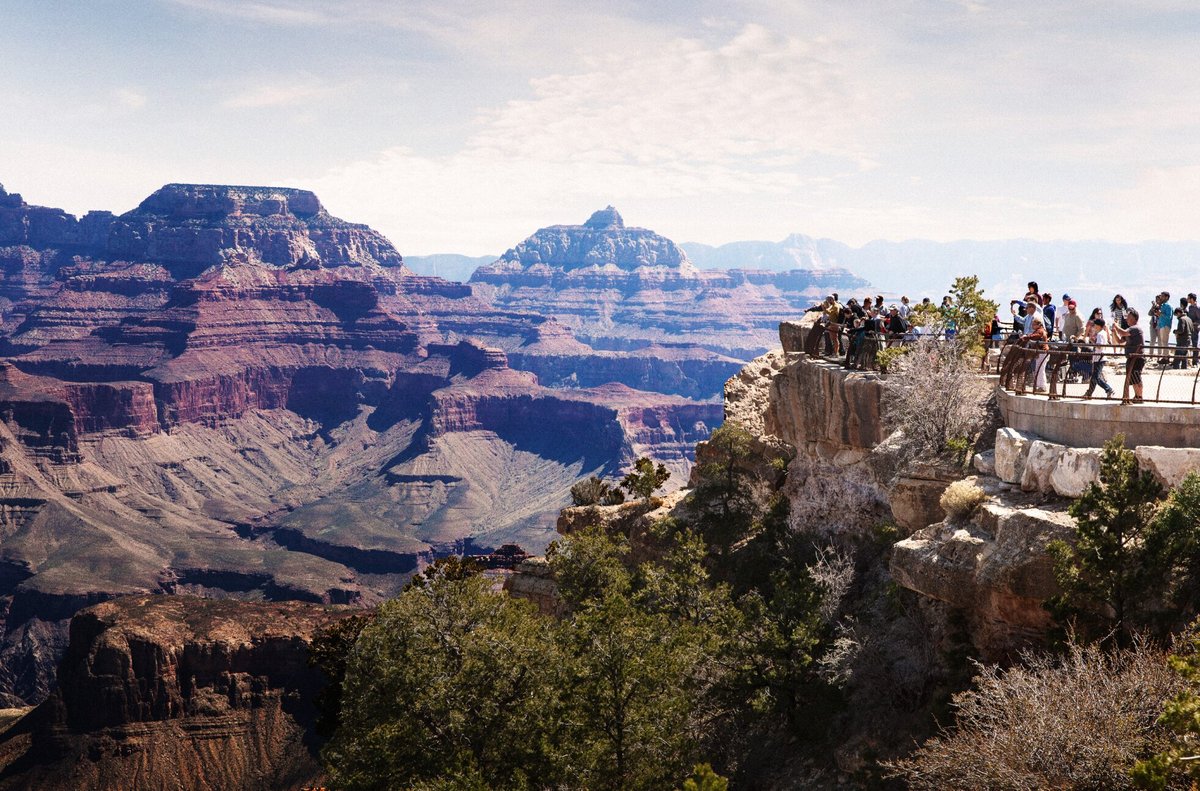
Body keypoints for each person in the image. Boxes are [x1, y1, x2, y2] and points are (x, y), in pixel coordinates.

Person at [1113, 308, 1145, 404]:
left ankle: (1139, 396)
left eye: (1129, 317)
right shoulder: (1129, 330)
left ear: (1135, 318)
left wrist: (1116, 325)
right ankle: (1137, 396)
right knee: (1132, 377)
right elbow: (1119, 341)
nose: (1127, 319)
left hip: (1137, 357)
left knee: (1136, 377)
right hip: (1131, 357)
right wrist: (1114, 331)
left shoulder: (1135, 328)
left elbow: (1122, 332)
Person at [1083, 317, 1115, 399]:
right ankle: (1089, 393)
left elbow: (1100, 346)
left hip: (1099, 358)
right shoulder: (1102, 333)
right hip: (1098, 358)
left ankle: (1109, 389)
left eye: (1095, 325)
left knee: (1096, 377)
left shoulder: (1100, 334)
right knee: (1094, 377)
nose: (1094, 326)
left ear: (1099, 326)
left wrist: (1092, 342)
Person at [1020, 316, 1050, 393]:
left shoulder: (1040, 331)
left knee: (1040, 369)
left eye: (1034, 324)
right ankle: (1040, 386)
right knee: (1038, 369)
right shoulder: (1039, 330)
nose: (1032, 326)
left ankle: (1042, 387)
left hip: (1042, 352)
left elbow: (1036, 336)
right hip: (1040, 353)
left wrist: (1026, 337)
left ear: (1038, 324)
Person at [1174, 305, 1194, 369]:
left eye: (1176, 314)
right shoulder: (1189, 319)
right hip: (1189, 339)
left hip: (1182, 339)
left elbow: (1181, 330)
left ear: (1178, 313)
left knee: (1177, 355)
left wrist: (1175, 331)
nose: (1177, 316)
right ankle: (1184, 368)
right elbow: (1192, 330)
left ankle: (1176, 367)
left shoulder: (1181, 319)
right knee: (1184, 355)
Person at [1188, 293, 1200, 364]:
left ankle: (1195, 361)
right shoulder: (1190, 307)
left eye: (1188, 298)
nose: (1187, 299)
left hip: (1195, 328)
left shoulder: (1197, 307)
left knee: (1195, 344)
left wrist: (1194, 323)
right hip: (1190, 328)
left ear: (1192, 299)